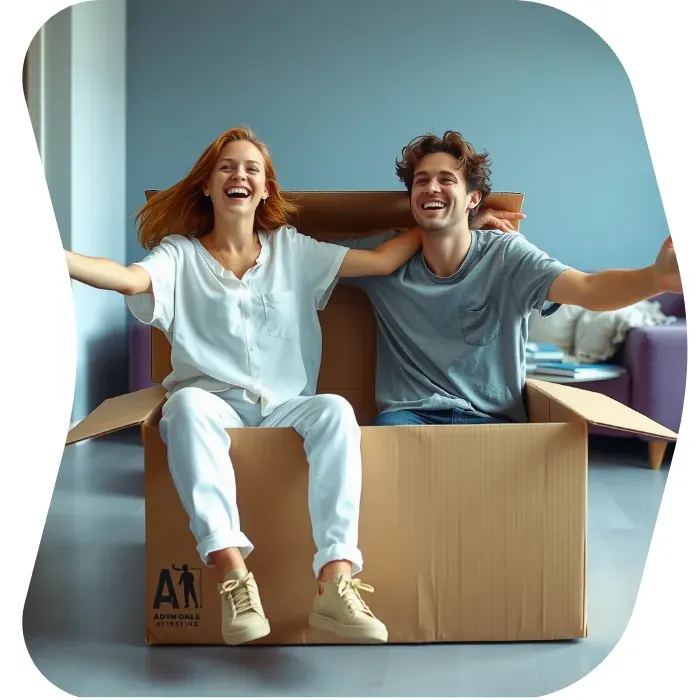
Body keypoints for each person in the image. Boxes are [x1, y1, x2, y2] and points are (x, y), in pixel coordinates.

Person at [64, 126, 435, 646]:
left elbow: (381, 261)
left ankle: (335, 582)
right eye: (226, 167)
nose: (239, 175)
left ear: (265, 190)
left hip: (287, 407)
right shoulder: (179, 256)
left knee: (334, 410)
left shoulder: (294, 252)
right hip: (215, 407)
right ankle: (234, 578)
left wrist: (452, 220)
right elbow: (128, 278)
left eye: (251, 169)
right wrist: (53, 256)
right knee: (185, 405)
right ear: (208, 187)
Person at [336, 131, 682, 426]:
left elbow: (588, 289)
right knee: (385, 436)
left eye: (446, 180)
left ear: (473, 198)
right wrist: (447, 227)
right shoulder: (383, 256)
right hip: (408, 415)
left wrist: (655, 279)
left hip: (493, 420)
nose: (431, 188)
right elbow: (307, 256)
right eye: (421, 181)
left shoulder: (506, 254)